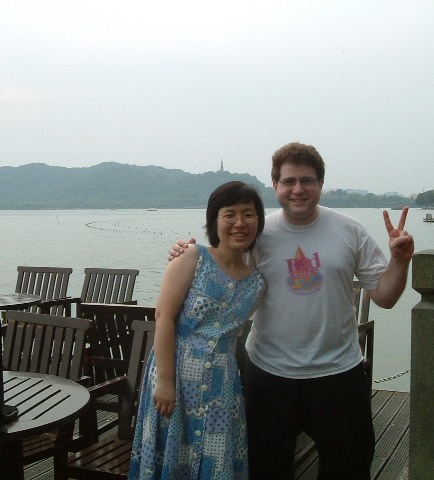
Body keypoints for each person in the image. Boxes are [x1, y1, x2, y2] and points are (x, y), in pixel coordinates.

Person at [170, 142, 414, 480]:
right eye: (288, 181)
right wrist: (186, 252)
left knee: (349, 467)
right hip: (269, 374)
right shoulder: (257, 233)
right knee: (266, 469)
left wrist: (400, 261)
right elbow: (218, 263)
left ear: (321, 184)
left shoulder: (350, 229)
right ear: (275, 185)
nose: (298, 189)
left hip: (338, 373)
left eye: (307, 180)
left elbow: (385, 297)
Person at [129, 181, 267, 480]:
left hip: (222, 384)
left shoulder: (257, 283)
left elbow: (235, 335)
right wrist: (165, 381)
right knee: (170, 454)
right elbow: (163, 317)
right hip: (176, 374)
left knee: (215, 459)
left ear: (259, 221)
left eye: (248, 214)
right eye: (230, 214)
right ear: (214, 220)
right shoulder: (193, 256)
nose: (240, 223)